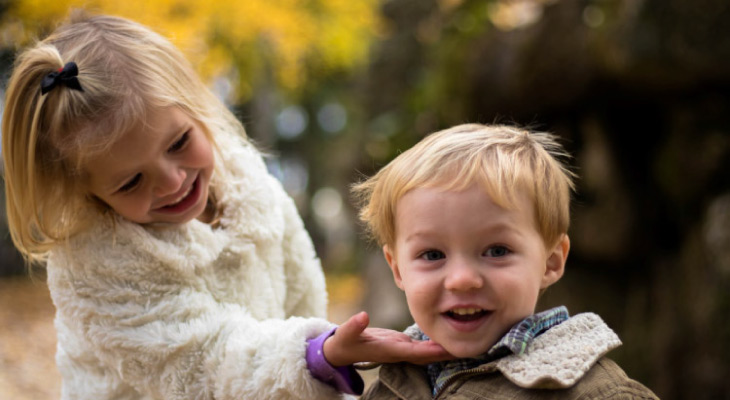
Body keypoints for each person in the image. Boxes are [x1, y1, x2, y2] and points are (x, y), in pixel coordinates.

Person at [1, 13, 450, 400]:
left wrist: (323, 354)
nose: (173, 182)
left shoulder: (245, 183)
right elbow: (199, 363)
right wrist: (313, 355)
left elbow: (299, 288)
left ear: (196, 109)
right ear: (89, 193)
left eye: (180, 142)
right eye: (132, 181)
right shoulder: (95, 266)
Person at [351, 124, 660, 399]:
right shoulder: (393, 380)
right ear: (398, 269)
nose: (461, 279)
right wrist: (318, 362)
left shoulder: (593, 393)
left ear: (551, 262)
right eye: (433, 255)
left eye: (497, 251)